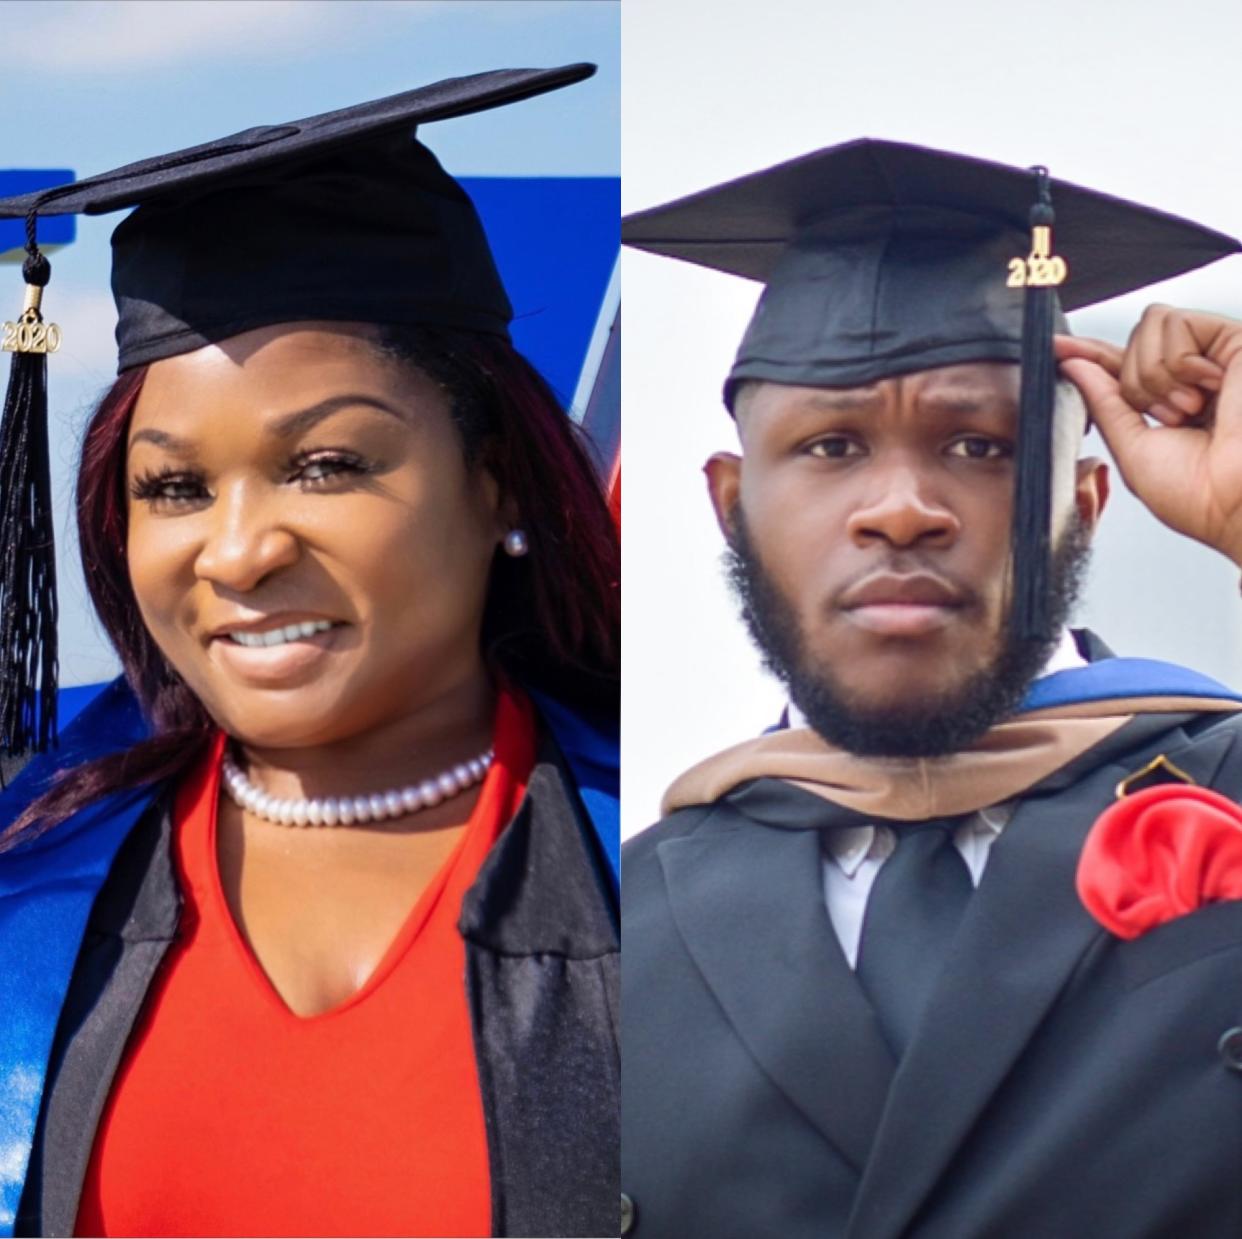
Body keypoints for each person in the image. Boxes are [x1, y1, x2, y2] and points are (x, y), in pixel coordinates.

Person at [0, 66, 618, 1239]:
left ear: (496, 484)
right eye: (174, 486)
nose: (236, 552)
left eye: (327, 465)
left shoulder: (658, 871)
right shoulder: (29, 885)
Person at [620, 139, 1242, 1238]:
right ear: (731, 505)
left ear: (1086, 505)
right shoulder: (613, 923)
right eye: (829, 446)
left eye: (980, 444)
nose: (901, 507)